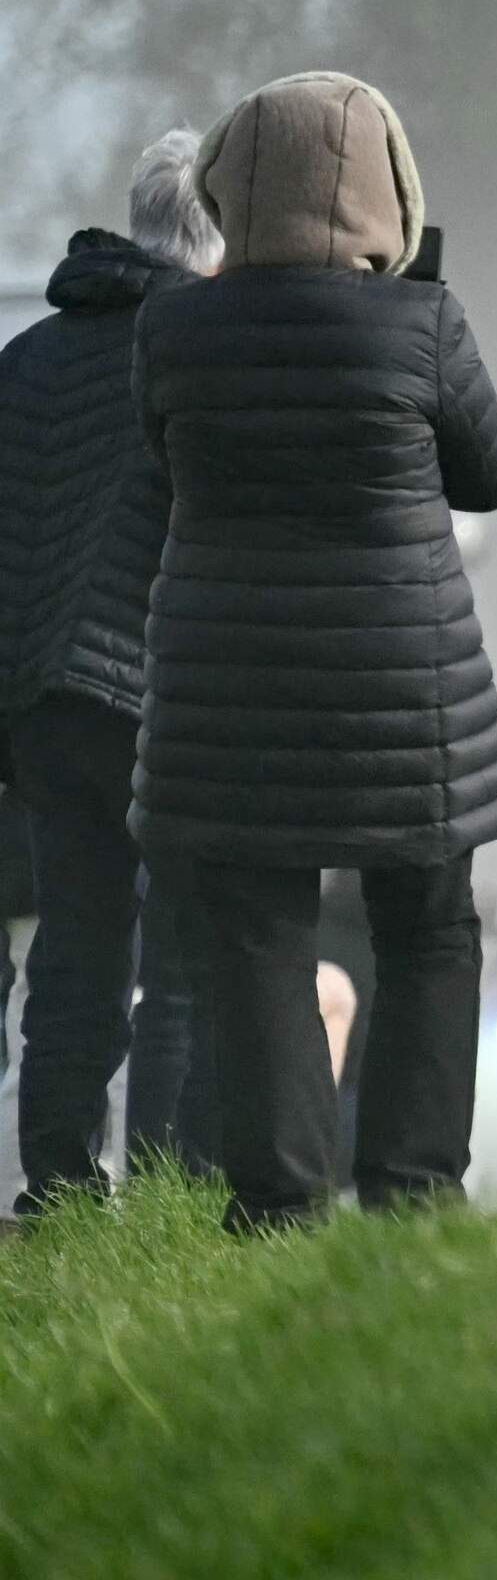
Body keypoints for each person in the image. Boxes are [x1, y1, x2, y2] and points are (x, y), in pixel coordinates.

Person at [133, 74, 497, 1229]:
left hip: (232, 691)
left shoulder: (174, 330)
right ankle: (412, 1191)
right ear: (385, 191)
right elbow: (494, 474)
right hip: (401, 695)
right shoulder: (423, 324)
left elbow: (156, 472)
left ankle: (277, 1205)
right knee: (428, 927)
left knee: (257, 936)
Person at [0, 133, 217, 1209]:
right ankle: (169, 1192)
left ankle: (59, 1188)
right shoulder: (199, 350)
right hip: (157, 693)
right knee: (179, 957)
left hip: (43, 705)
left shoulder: (27, 357)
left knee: (77, 947)